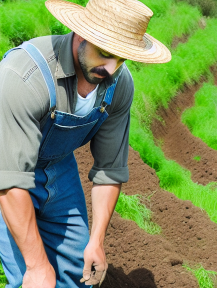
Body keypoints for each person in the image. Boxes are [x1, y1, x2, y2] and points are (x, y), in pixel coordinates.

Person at [0, 0, 171, 286]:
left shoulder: (119, 84)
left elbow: (109, 171)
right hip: (6, 167)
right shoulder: (23, 77)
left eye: (121, 58)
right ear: (81, 34)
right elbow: (11, 180)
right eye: (104, 54)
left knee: (78, 271)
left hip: (58, 165)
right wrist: (37, 266)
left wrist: (97, 240)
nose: (111, 69)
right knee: (31, 277)